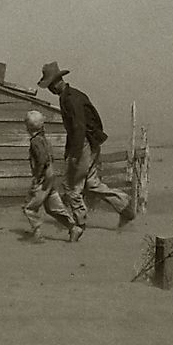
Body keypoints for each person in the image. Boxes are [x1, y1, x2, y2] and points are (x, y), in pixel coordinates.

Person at [37, 62, 135, 240]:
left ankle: (79, 224)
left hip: (84, 144)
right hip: (88, 143)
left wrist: (74, 155)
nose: (50, 89)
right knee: (92, 184)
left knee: (72, 186)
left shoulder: (70, 99)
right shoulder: (69, 95)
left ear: (55, 82)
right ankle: (124, 206)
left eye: (50, 85)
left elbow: (79, 127)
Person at [21, 110, 82, 242]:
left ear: (28, 127)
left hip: (43, 177)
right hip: (51, 176)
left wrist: (37, 176)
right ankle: (73, 227)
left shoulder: (35, 141)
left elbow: (42, 159)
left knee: (29, 207)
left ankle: (37, 233)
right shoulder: (44, 139)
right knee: (53, 207)